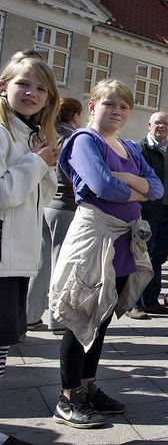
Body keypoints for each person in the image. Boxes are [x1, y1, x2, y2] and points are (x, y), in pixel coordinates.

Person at [51, 79, 162, 429]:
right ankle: (68, 398)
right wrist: (134, 186)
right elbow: (101, 186)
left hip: (123, 241)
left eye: (123, 106)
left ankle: (88, 387)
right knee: (82, 315)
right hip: (95, 238)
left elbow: (157, 189)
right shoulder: (85, 140)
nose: (116, 111)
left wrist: (125, 180)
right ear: (93, 104)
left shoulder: (129, 146)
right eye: (109, 104)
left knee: (101, 319)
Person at [0, 56, 59, 383]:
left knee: (4, 345)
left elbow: (39, 200)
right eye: (23, 83)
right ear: (3, 86)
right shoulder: (2, 131)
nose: (31, 93)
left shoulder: (29, 134)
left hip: (17, 259)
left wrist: (44, 164)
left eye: (41, 89)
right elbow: (3, 194)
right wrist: (37, 164)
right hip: (3, 257)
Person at [26, 97, 81, 332]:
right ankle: (57, 319)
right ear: (76, 116)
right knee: (62, 263)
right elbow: (73, 173)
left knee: (41, 261)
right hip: (66, 205)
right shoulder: (73, 138)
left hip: (45, 202)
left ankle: (29, 315)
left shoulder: (47, 134)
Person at [127, 111, 168, 319]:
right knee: (140, 258)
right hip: (146, 211)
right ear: (149, 125)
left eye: (166, 124)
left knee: (157, 259)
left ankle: (151, 301)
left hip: (166, 212)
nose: (161, 127)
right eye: (158, 123)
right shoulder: (139, 149)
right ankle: (133, 304)